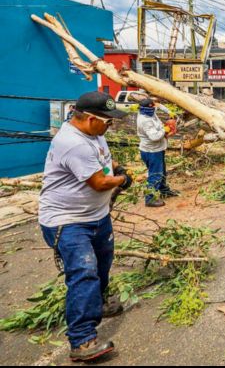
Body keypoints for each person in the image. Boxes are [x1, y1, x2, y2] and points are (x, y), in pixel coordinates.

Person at [38, 91, 132, 362]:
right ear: (91, 119)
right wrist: (122, 179)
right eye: (108, 121)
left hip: (96, 216)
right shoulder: (72, 143)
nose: (110, 126)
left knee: (102, 263)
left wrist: (115, 166)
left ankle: (98, 303)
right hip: (68, 221)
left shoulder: (93, 134)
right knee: (84, 272)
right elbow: (99, 182)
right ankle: (81, 340)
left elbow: (103, 159)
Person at [137, 98, 178, 207]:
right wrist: (166, 129)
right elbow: (154, 136)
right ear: (145, 109)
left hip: (158, 149)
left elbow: (158, 105)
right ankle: (150, 199)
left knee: (162, 172)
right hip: (152, 151)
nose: (154, 109)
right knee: (155, 175)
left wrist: (170, 112)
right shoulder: (145, 120)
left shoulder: (150, 112)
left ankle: (164, 190)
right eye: (152, 107)